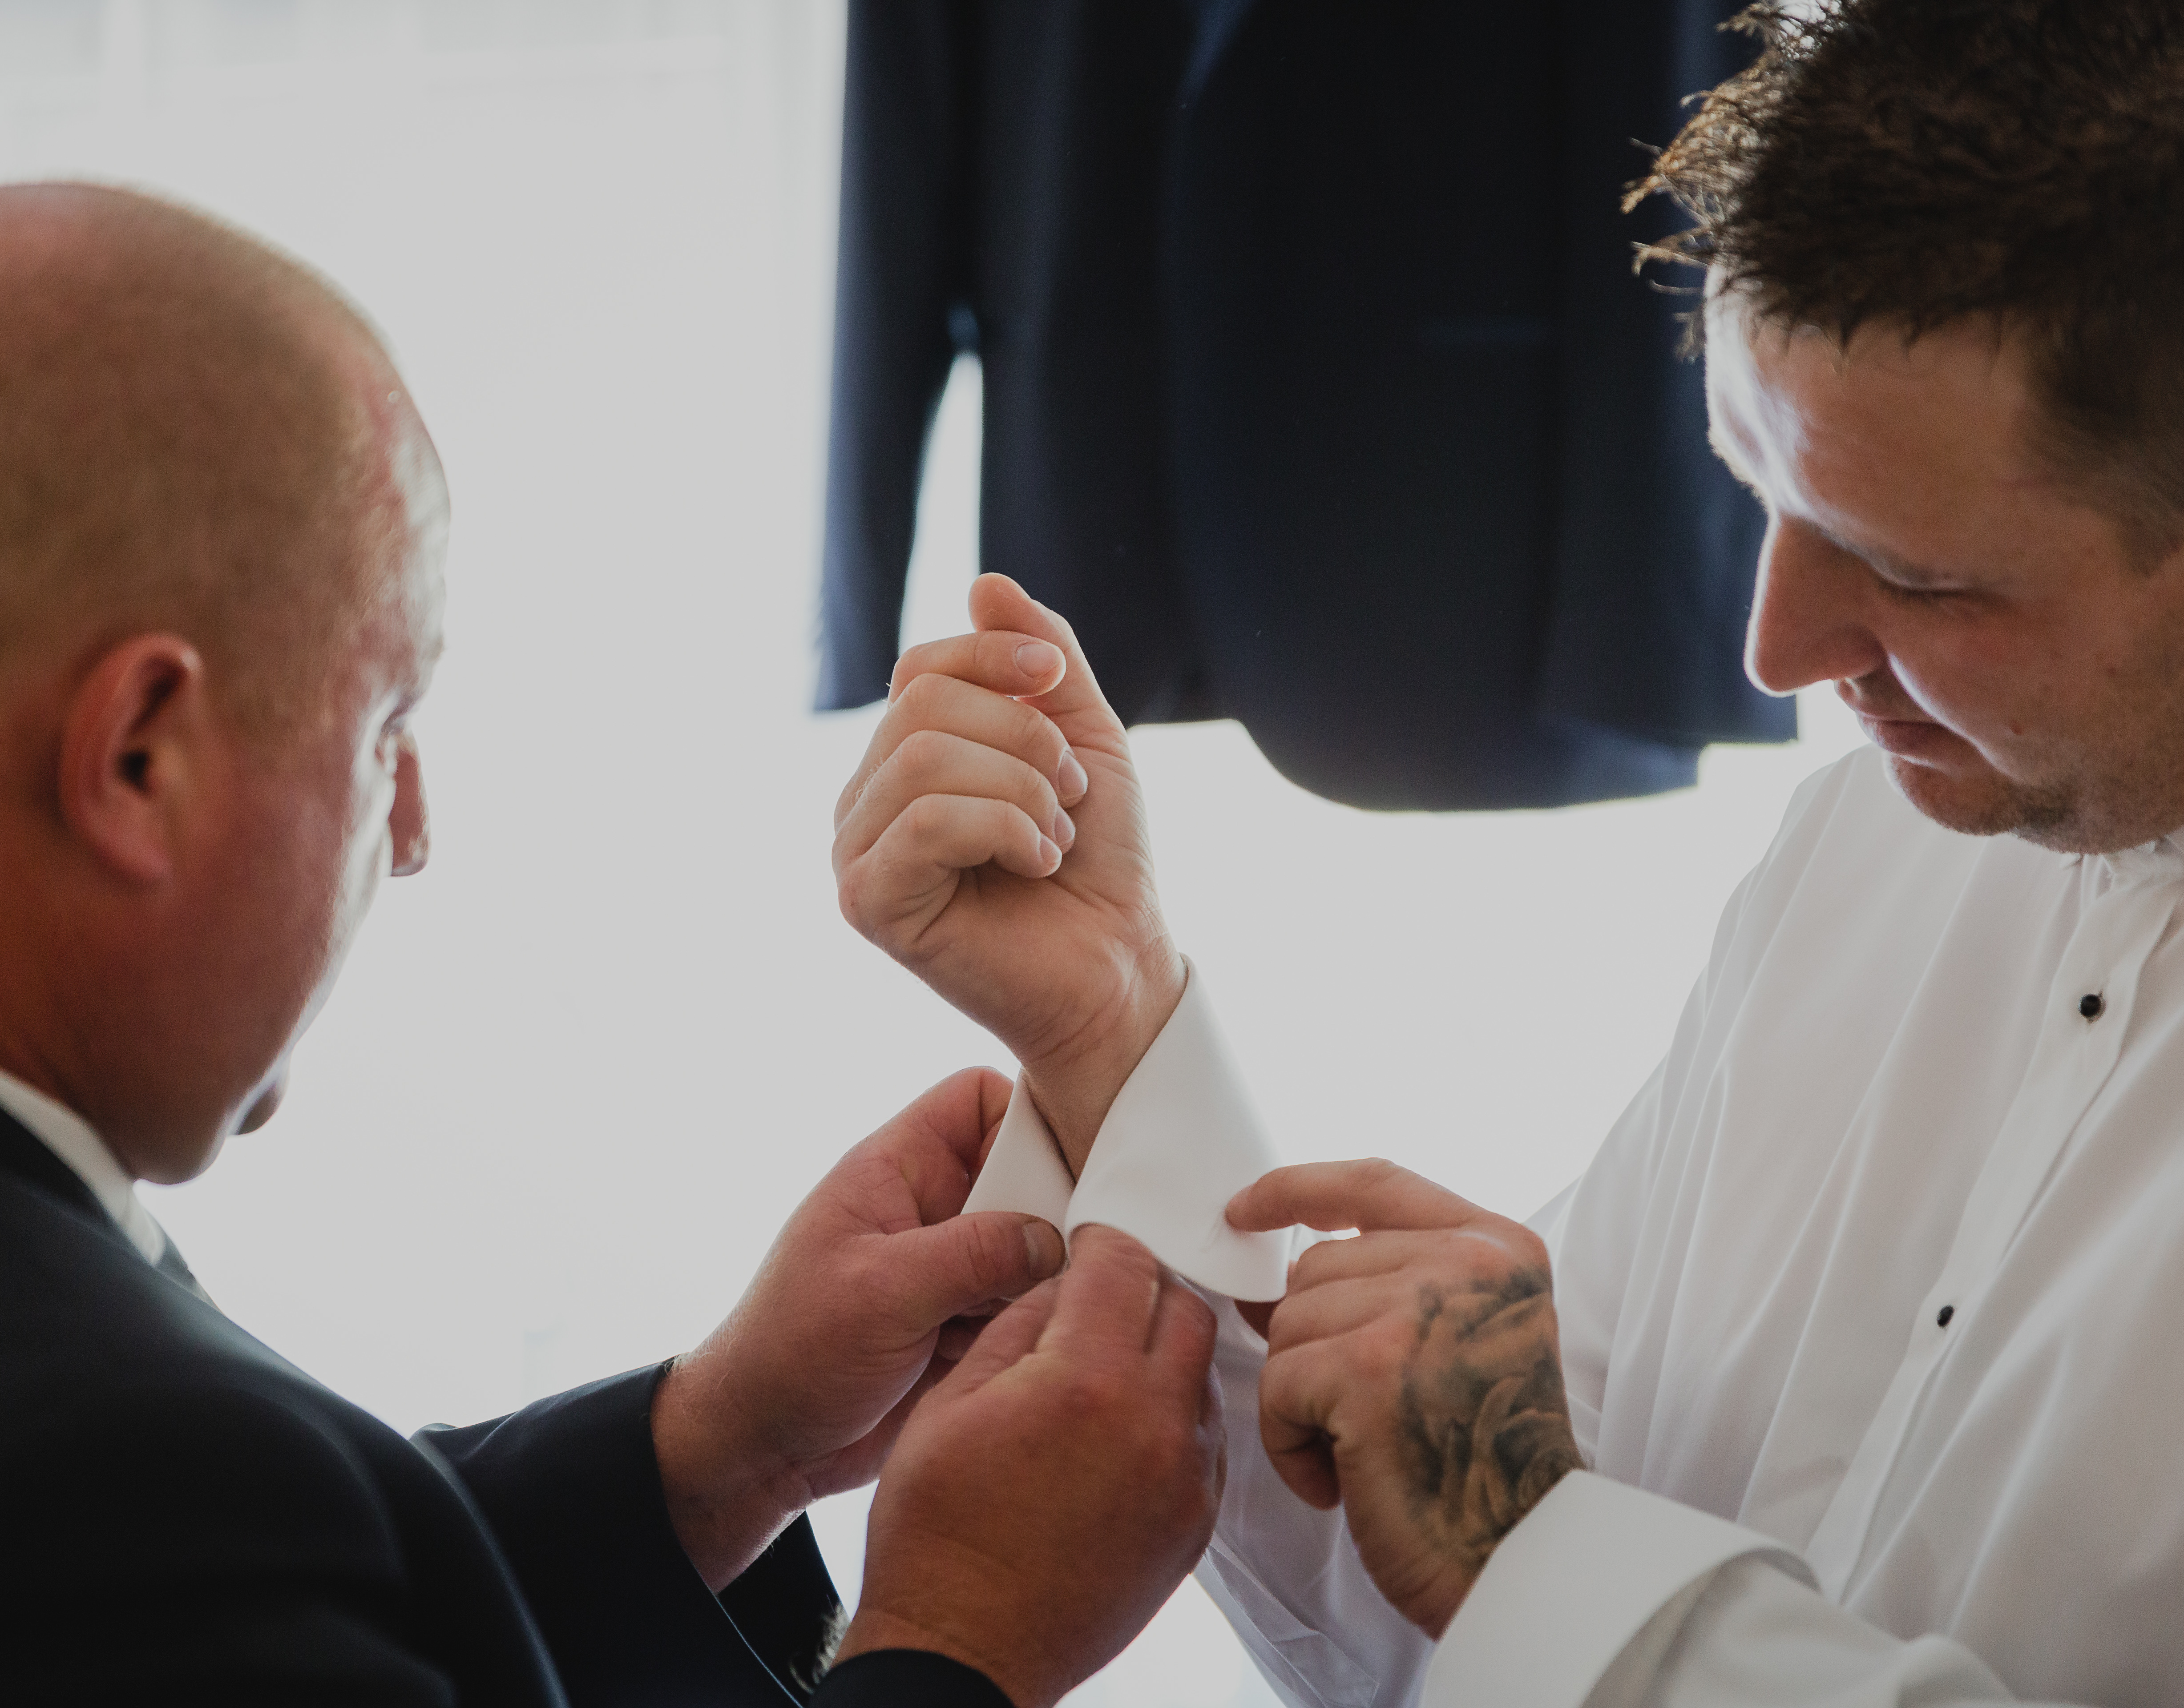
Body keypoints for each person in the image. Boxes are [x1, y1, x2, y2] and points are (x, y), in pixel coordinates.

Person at [831, 1, 2184, 1701]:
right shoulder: (1861, 849)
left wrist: (1525, 1548)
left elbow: (1533, 1567)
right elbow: (1478, 1585)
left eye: (1916, 575)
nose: (1775, 652)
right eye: (1758, 493)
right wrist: (1109, 1026)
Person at [0, 181, 1226, 1708]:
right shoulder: (114, 1460)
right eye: (387, 728)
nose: (414, 830)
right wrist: (959, 1638)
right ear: (138, 760)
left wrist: (720, 1449)